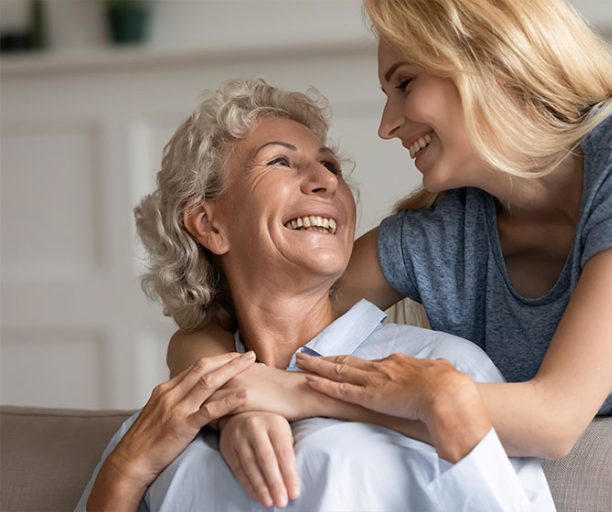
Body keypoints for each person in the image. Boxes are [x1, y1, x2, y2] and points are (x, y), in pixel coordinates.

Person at [167, 0, 612, 502]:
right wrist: (242, 407)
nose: (386, 124)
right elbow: (218, 322)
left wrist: (295, 394)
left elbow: (556, 420)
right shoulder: (447, 234)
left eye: (404, 83)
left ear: (492, 60)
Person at [76, 77, 554, 511]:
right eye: (281, 161)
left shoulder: (442, 369)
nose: (326, 179)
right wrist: (127, 469)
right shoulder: (172, 412)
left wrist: (447, 405)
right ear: (209, 224)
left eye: (330, 165)